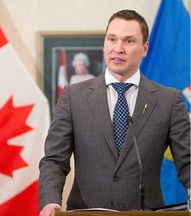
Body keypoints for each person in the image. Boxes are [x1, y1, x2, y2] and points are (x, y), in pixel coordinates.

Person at [39, 9, 190, 215]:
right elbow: (54, 160)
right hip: (86, 211)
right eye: (112, 39)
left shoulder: (168, 100)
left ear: (145, 48)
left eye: (128, 41)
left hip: (146, 212)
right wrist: (49, 202)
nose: (118, 48)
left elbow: (188, 162)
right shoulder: (73, 96)